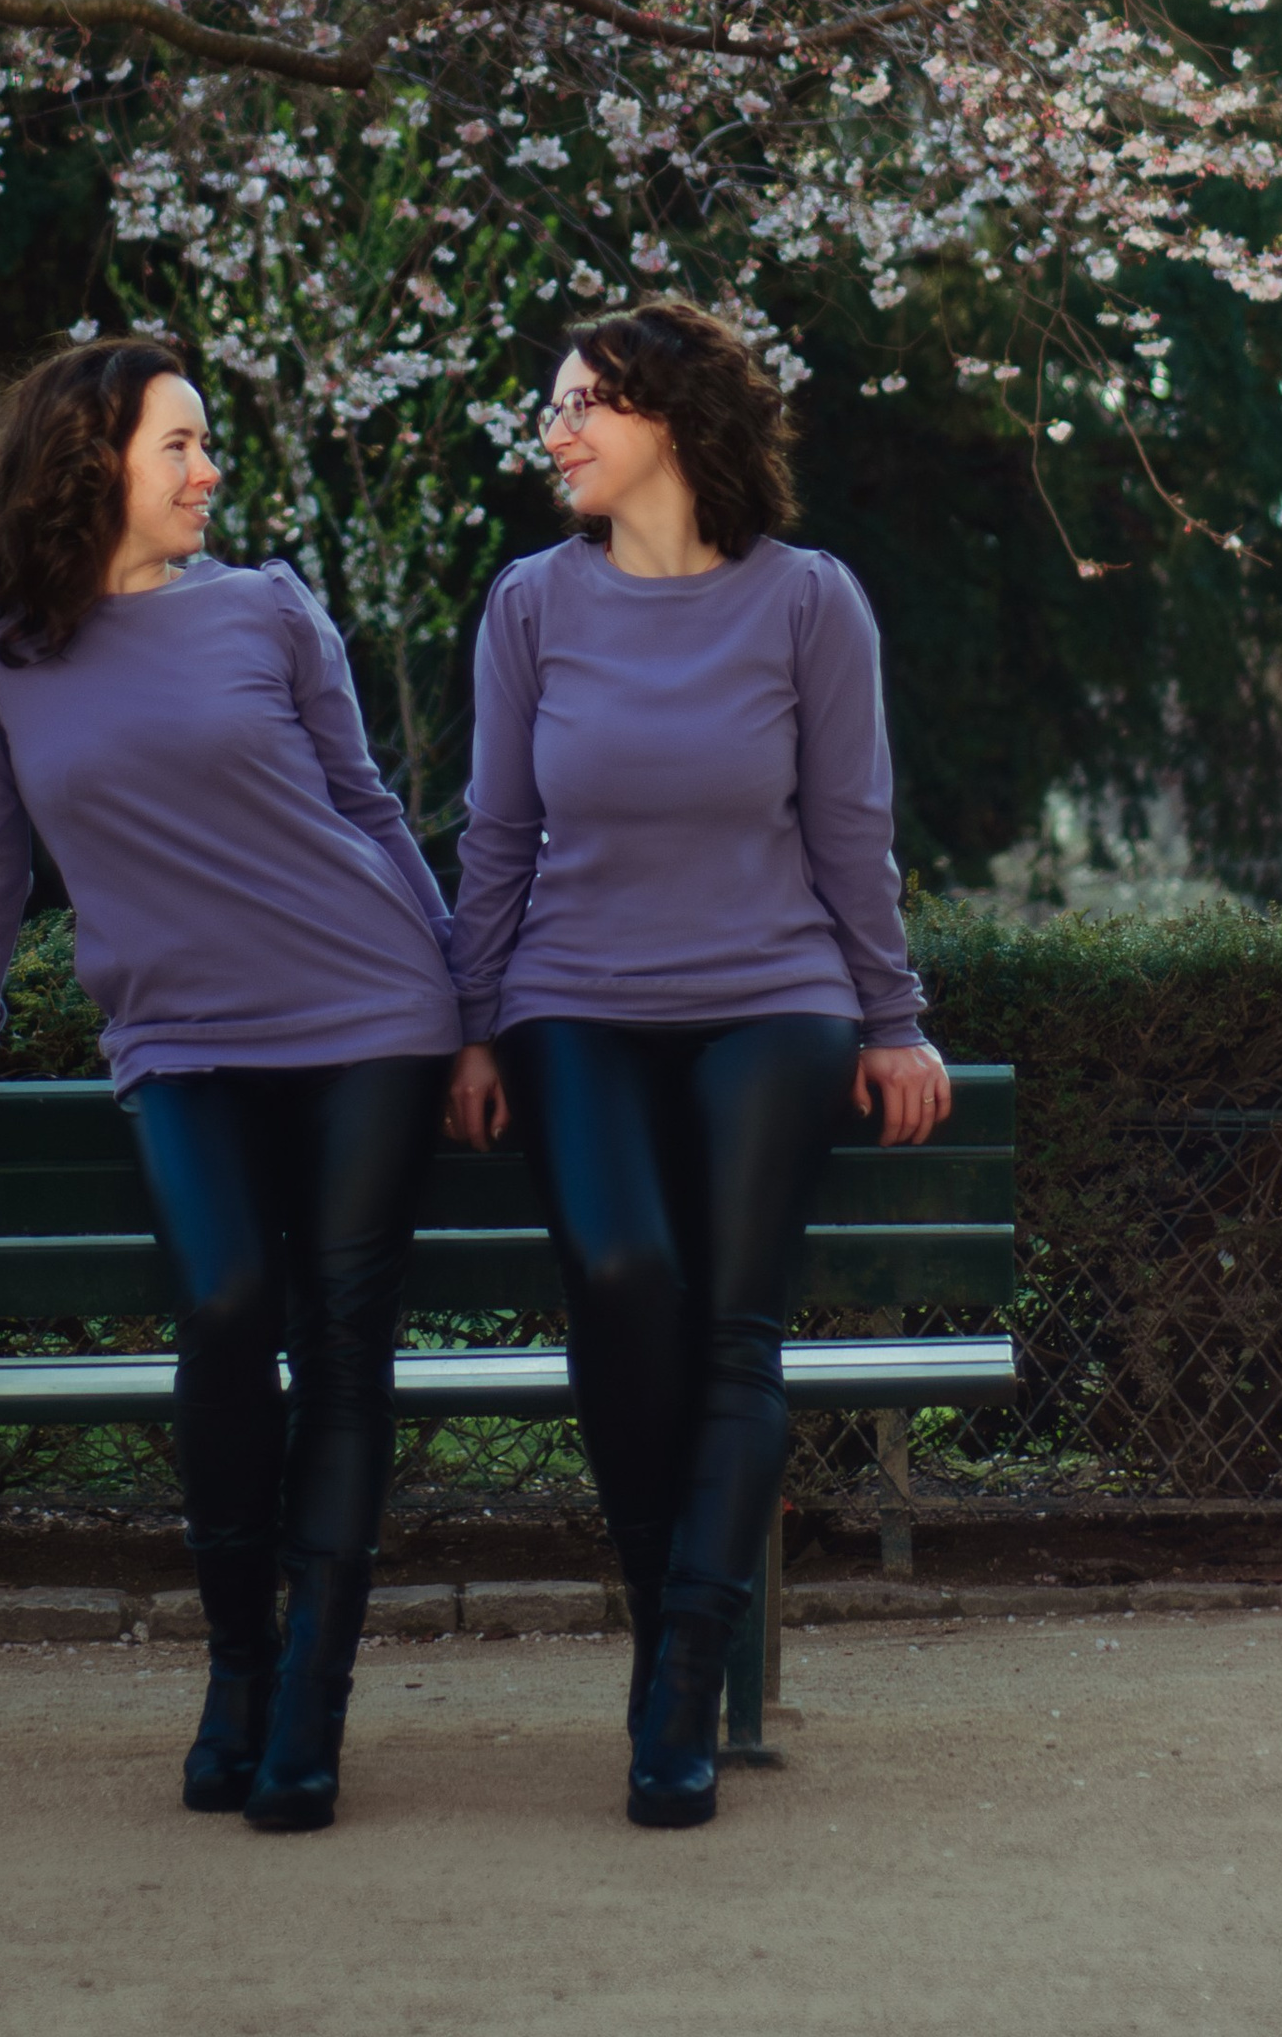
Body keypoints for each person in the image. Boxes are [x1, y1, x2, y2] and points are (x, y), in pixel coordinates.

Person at [0, 335, 460, 1835]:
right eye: (180, 444)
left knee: (345, 1339)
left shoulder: (271, 609)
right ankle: (239, 1665)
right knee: (227, 1303)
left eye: (206, 443)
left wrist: (466, 1002)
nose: (208, 471)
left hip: (372, 1008)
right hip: (178, 1040)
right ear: (89, 460)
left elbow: (369, 806)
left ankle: (312, 1700)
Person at [445, 297, 949, 1829]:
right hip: (574, 998)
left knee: (733, 1330)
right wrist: (472, 1022)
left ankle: (675, 1683)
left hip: (769, 995)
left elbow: (850, 829)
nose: (559, 430)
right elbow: (497, 834)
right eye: (554, 406)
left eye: (587, 401)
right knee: (620, 1275)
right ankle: (680, 1620)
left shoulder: (811, 602)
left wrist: (891, 1012)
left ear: (675, 420)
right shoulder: (531, 604)